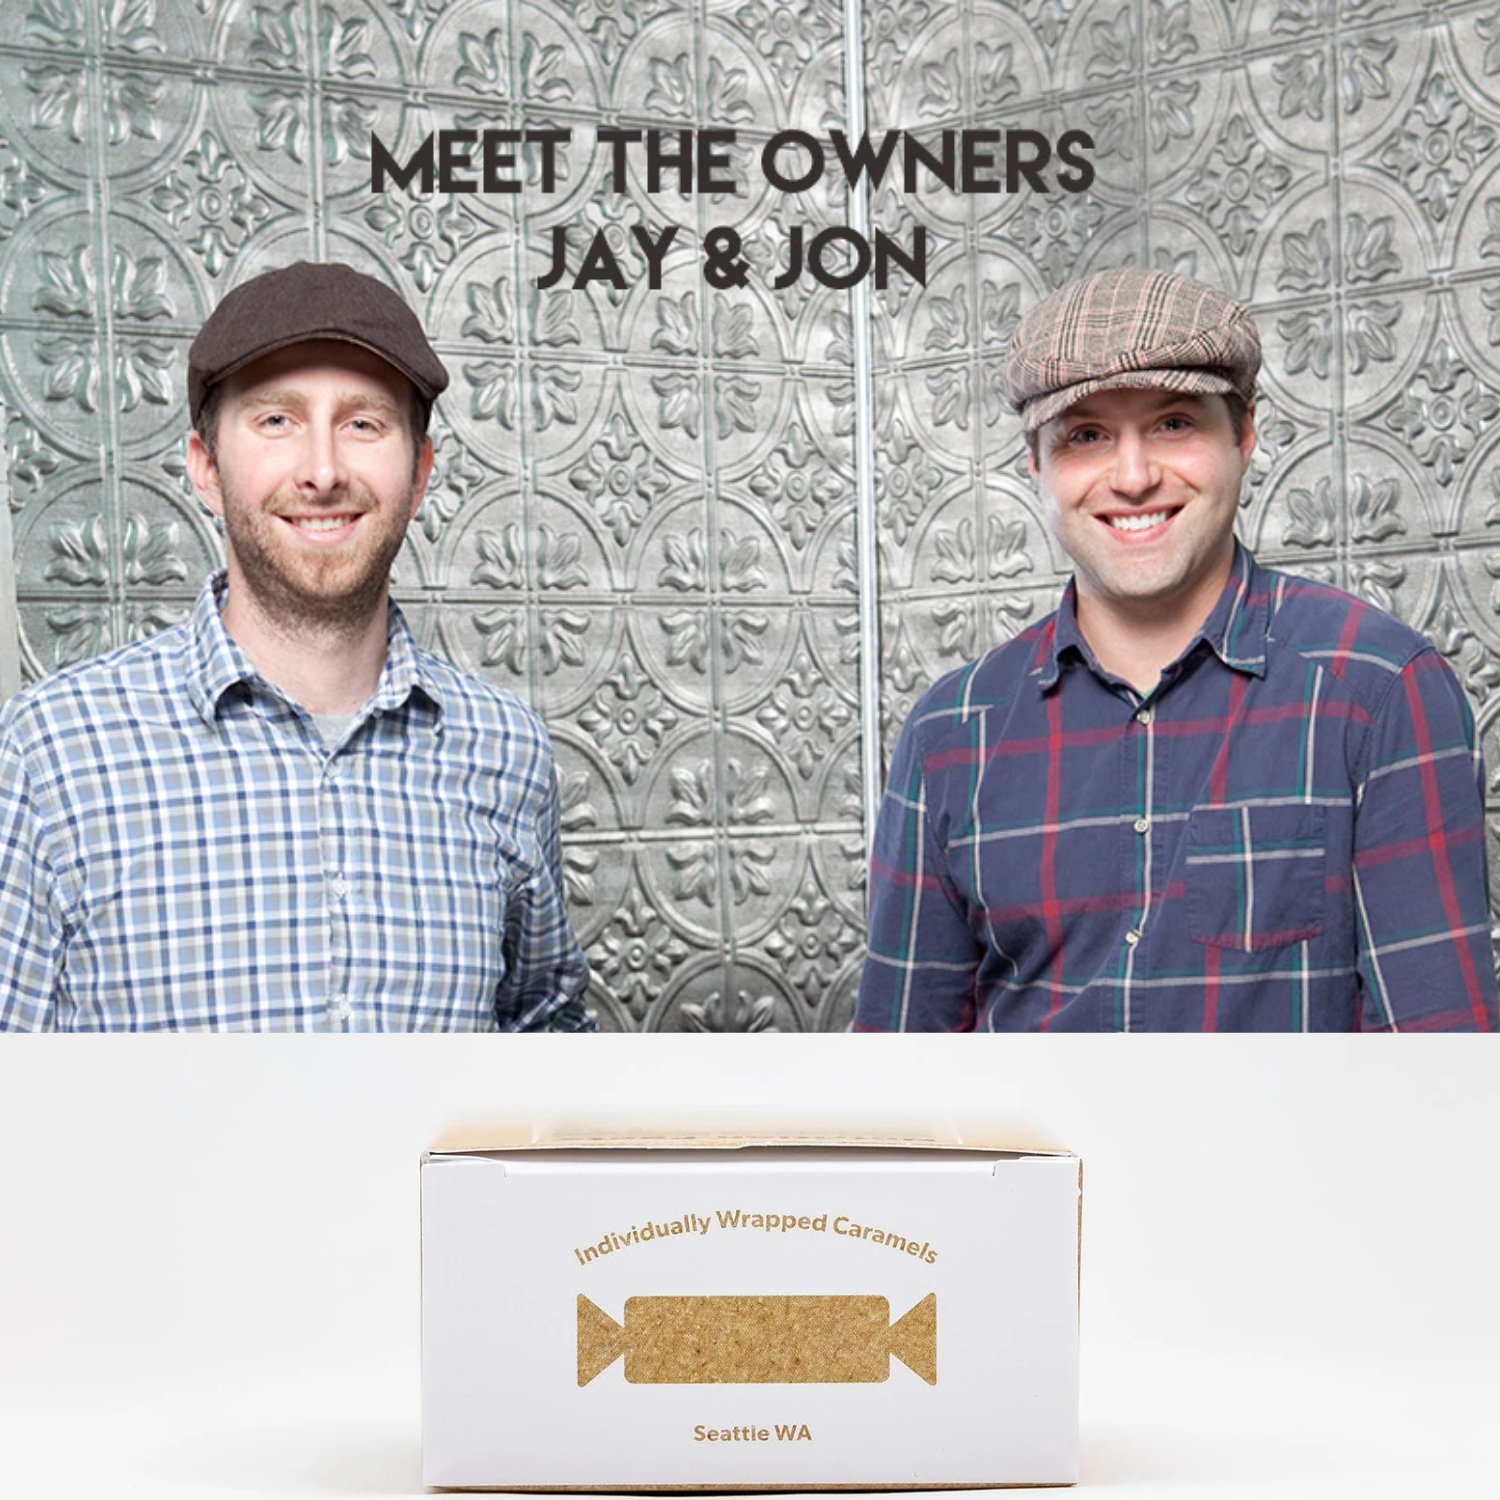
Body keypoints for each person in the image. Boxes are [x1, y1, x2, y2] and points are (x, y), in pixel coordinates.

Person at [856, 267, 1497, 1032]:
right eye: (1087, 435)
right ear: (1036, 463)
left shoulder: (1379, 690)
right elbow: (904, 1075)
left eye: (1174, 423)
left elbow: (1436, 1065)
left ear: (1245, 435)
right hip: (1037, 1156)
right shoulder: (950, 732)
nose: (1134, 477)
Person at [0, 262, 592, 1031]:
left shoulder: (506, 750)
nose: (321, 471)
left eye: (363, 423)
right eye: (277, 421)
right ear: (207, 468)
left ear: (419, 474)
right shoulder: (49, 755)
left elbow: (544, 1035)